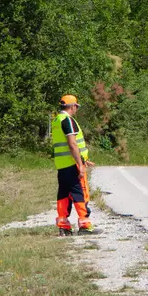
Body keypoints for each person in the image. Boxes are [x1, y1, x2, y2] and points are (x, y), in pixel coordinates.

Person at [51, 95, 95, 236]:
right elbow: (72, 144)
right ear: (72, 106)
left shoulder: (57, 120)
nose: (76, 109)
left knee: (63, 194)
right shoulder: (68, 121)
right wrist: (80, 164)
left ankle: (64, 226)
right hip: (72, 164)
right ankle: (85, 225)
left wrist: (83, 159)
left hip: (62, 165)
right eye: (76, 106)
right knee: (80, 193)